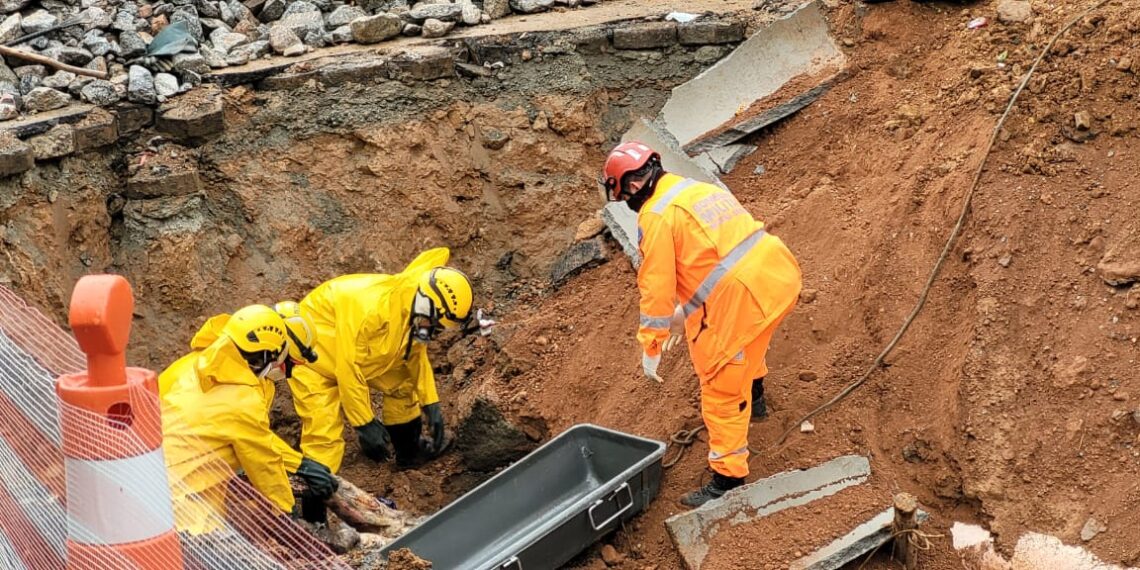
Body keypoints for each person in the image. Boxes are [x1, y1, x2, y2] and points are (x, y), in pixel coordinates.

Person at [602, 141, 803, 507]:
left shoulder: (655, 216)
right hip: (778, 276)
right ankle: (756, 399)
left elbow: (656, 288)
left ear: (631, 185)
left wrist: (652, 343)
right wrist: (688, 313)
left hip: (741, 299)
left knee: (721, 388)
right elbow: (718, 256)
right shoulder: (696, 188)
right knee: (750, 343)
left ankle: (728, 480)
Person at [291, 247, 486, 473]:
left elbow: (414, 356)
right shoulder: (370, 312)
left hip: (359, 356)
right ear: (427, 305)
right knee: (323, 434)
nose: (436, 331)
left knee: (403, 382)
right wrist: (364, 423)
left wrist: (430, 404)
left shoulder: (410, 310)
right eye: (436, 324)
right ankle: (316, 489)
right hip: (313, 362)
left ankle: (408, 452)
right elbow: (348, 369)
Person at [160, 304, 338, 533]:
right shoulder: (241, 399)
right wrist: (287, 515)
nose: (289, 372)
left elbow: (249, 435)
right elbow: (262, 461)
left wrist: (300, 465)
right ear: (271, 353)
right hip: (182, 505)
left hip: (144, 480)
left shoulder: (199, 363)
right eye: (291, 363)